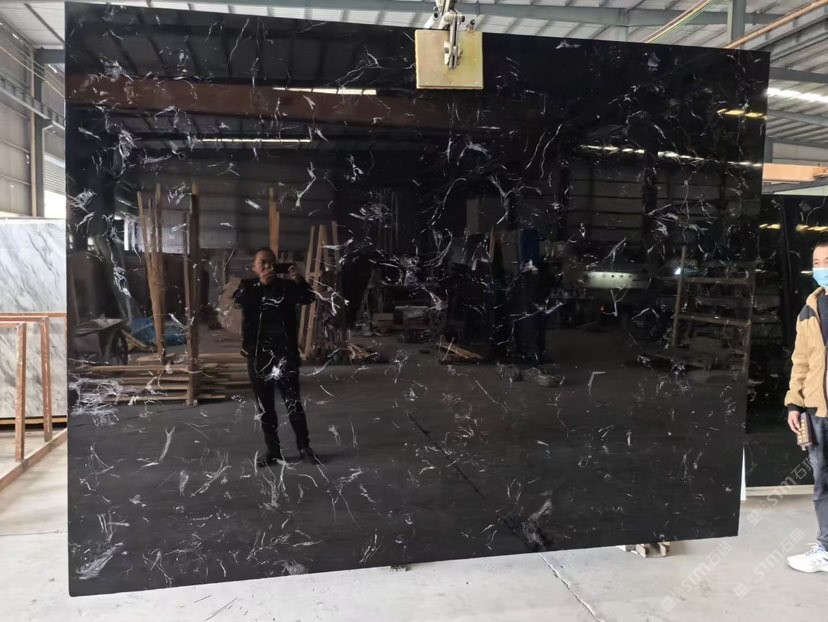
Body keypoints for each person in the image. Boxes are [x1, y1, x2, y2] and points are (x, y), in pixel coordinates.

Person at [233, 247, 321, 466]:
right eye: (262, 263)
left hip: (285, 356)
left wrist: (297, 278)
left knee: (293, 404)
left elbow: (309, 297)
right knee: (265, 407)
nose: (267, 266)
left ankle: (304, 447)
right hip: (258, 357)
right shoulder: (248, 287)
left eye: (271, 262)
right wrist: (261, 284)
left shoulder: (287, 287)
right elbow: (238, 300)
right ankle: (273, 451)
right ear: (254, 267)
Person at [784, 239, 828, 573]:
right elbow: (801, 361)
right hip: (818, 412)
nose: (822, 267)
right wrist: (794, 403)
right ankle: (827, 547)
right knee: (823, 482)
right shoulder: (809, 310)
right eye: (817, 262)